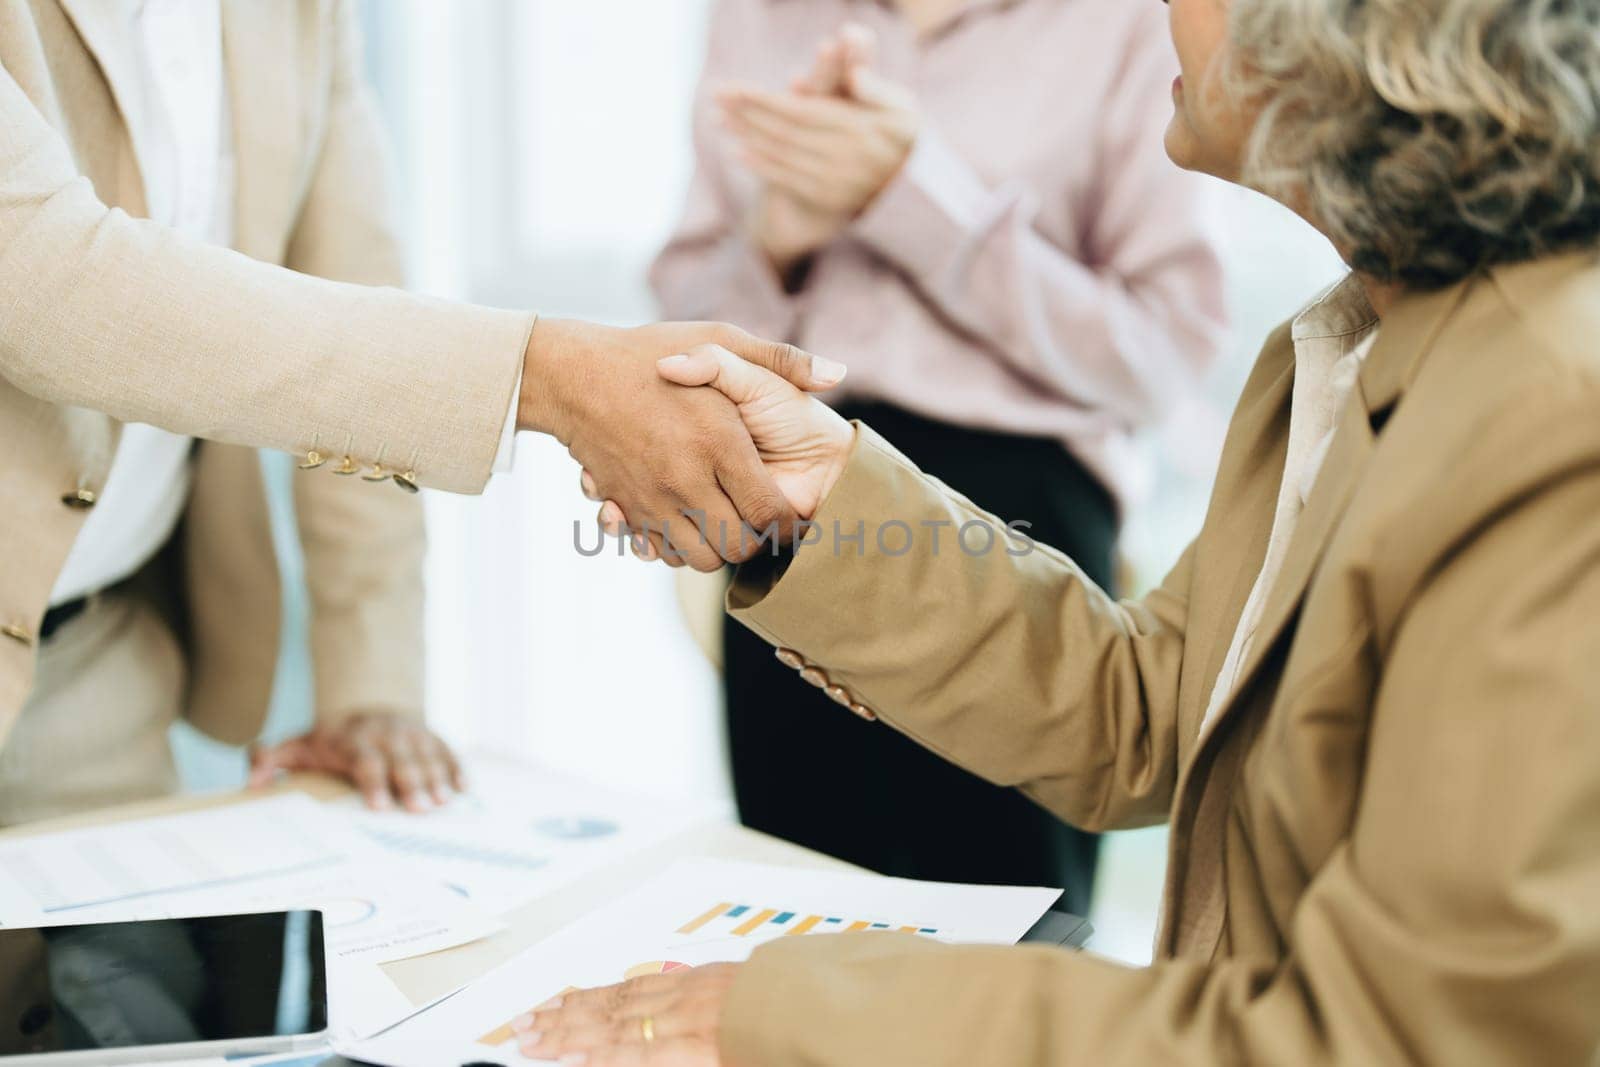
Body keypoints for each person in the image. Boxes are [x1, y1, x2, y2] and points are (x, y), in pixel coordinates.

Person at [534, 0, 1600, 1062]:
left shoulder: (1556, 431)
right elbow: (1151, 706)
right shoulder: (1344, 342)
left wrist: (806, 1013)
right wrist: (830, 494)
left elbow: (1410, 1038)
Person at [0, 0, 835, 825]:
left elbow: (355, 296)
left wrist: (373, 687)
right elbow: (53, 286)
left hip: (102, 666)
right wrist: (548, 375)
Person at [650, 0, 1226, 911]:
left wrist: (915, 203)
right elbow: (676, 330)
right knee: (790, 931)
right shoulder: (758, 15)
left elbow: (1162, 358)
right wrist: (777, 233)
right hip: (790, 513)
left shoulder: (1128, 24)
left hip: (1020, 525)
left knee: (1005, 947)